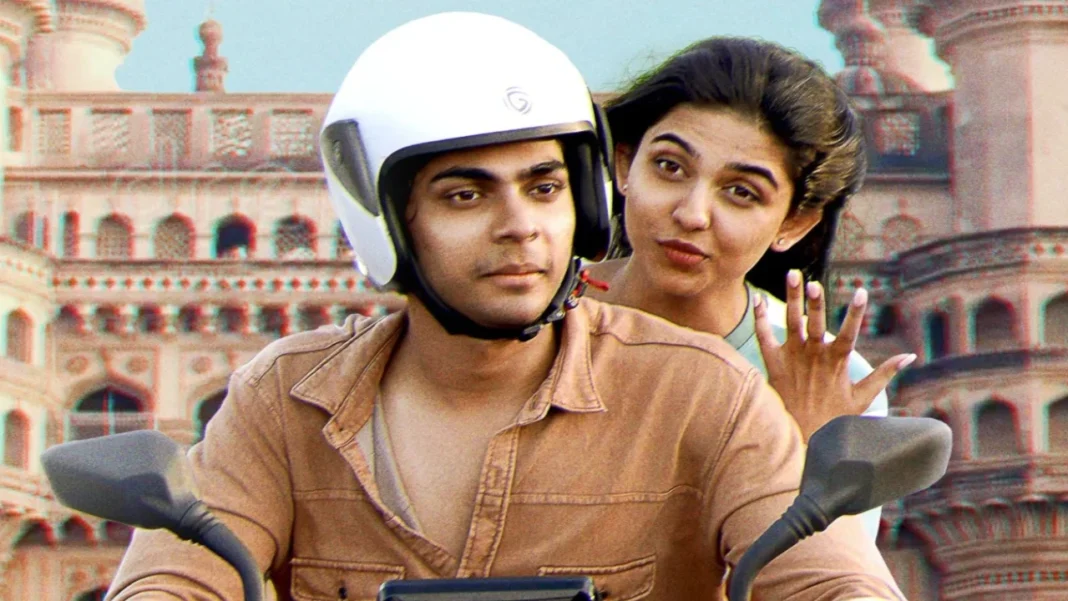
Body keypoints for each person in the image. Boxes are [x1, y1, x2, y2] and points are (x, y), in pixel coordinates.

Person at [106, 14, 905, 601]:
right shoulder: (286, 400)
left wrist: (818, 471)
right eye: (465, 195)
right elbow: (176, 577)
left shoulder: (705, 391)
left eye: (544, 187)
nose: (520, 226)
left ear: (581, 203)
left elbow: (826, 578)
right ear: (390, 222)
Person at [584, 37, 918, 541]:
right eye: (670, 167)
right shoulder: (536, 315)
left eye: (741, 193)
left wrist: (802, 439)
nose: (692, 214)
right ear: (625, 164)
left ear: (794, 223)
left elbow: (824, 574)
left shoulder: (827, 378)